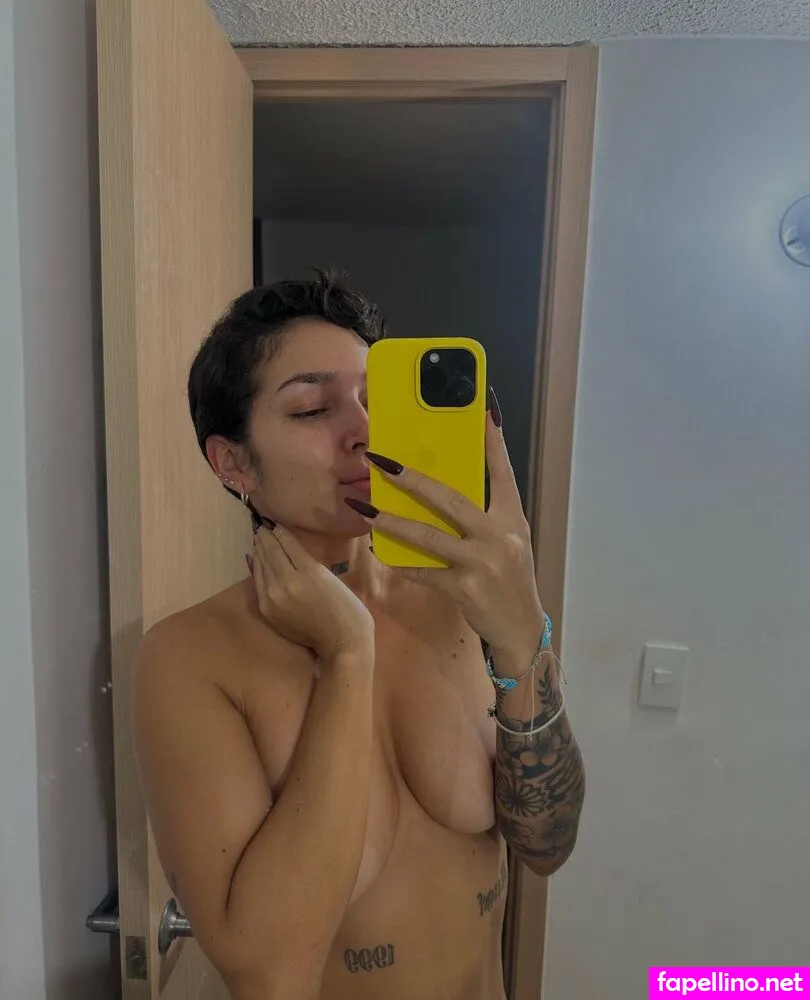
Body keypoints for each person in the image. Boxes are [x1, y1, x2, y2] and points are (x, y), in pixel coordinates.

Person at [133, 271, 585, 1000]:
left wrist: (522, 632)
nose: (364, 432)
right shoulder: (190, 657)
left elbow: (547, 846)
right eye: (312, 409)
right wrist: (348, 655)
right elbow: (269, 975)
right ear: (233, 462)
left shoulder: (455, 600)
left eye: (376, 400)